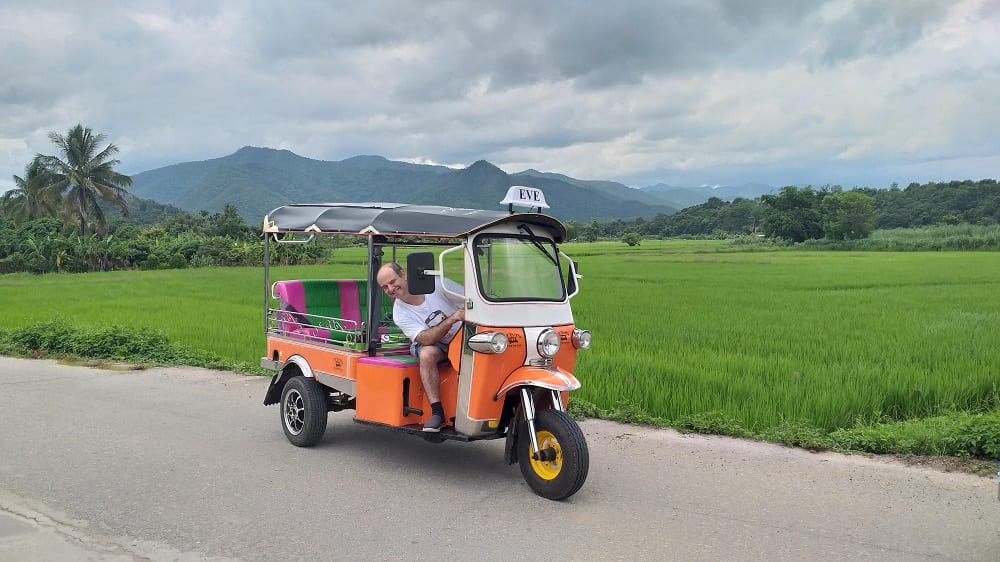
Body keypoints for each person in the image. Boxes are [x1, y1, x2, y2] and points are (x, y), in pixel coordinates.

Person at [376, 262, 465, 431]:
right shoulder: (399, 312)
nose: (391, 289)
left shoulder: (437, 284)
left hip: (461, 334)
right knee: (426, 354)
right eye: (385, 287)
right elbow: (426, 338)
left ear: (403, 274)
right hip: (432, 342)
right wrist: (453, 318)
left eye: (393, 281)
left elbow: (470, 299)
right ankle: (437, 412)